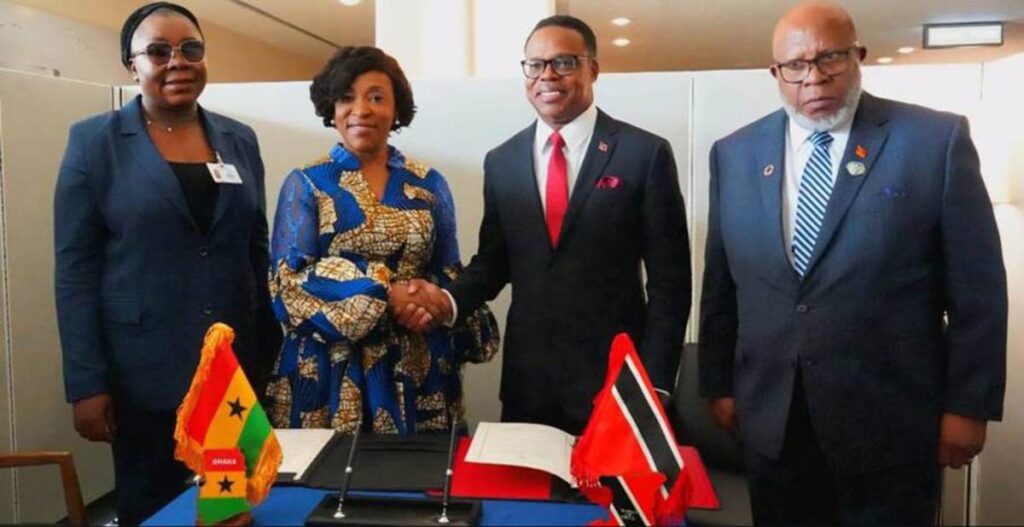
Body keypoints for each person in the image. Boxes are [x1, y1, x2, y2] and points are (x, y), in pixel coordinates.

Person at [698, 1, 1007, 524]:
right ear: (775, 73)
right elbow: (722, 285)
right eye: (795, 66)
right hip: (774, 421)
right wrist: (718, 384)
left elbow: (978, 292)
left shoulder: (934, 142)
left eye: (830, 58)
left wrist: (968, 406)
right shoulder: (735, 153)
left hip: (890, 423)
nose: (813, 78)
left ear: (860, 55)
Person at [396, 15, 690, 435]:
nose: (547, 75)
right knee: (523, 501)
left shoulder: (643, 154)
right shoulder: (503, 161)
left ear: (593, 69)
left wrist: (656, 384)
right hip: (529, 385)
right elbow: (494, 263)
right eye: (535, 65)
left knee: (605, 502)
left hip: (616, 386)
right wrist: (445, 301)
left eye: (564, 62)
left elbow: (670, 283)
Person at [53, 2, 279, 523]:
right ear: (131, 64)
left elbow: (255, 248)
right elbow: (75, 270)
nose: (178, 61)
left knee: (227, 508)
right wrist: (87, 382)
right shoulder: (94, 143)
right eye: (158, 51)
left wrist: (268, 348)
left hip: (231, 373)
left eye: (191, 49)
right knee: (153, 508)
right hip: (142, 374)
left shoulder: (239, 139)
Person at [264, 46, 499, 434]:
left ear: (396, 108)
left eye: (376, 97)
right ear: (331, 109)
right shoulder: (307, 182)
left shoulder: (428, 183)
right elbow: (288, 285)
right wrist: (387, 293)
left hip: (418, 365)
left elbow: (449, 272)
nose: (362, 109)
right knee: (326, 488)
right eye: (346, 97)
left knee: (420, 486)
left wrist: (430, 299)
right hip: (330, 373)